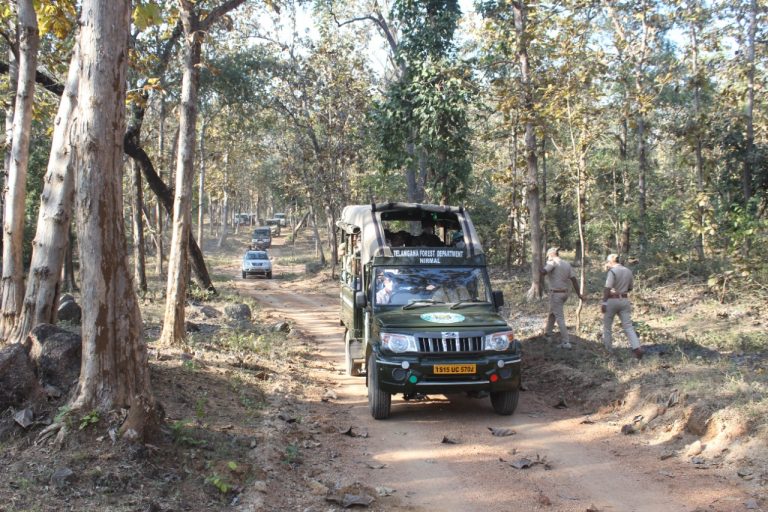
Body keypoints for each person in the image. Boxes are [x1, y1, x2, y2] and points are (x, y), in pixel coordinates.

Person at [540, 247, 583, 349]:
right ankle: (548, 334)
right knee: (552, 313)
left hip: (556, 294)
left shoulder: (552, 262)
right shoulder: (566, 264)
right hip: (564, 294)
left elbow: (544, 272)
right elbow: (574, 280)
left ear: (551, 255)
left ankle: (566, 342)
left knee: (559, 317)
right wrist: (579, 294)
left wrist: (538, 265)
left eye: (548, 257)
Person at [602, 253, 643, 359]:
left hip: (612, 300)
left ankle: (608, 350)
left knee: (607, 326)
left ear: (611, 262)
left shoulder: (612, 272)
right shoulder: (628, 271)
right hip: (624, 300)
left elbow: (607, 288)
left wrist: (604, 302)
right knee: (628, 326)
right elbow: (630, 287)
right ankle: (637, 347)